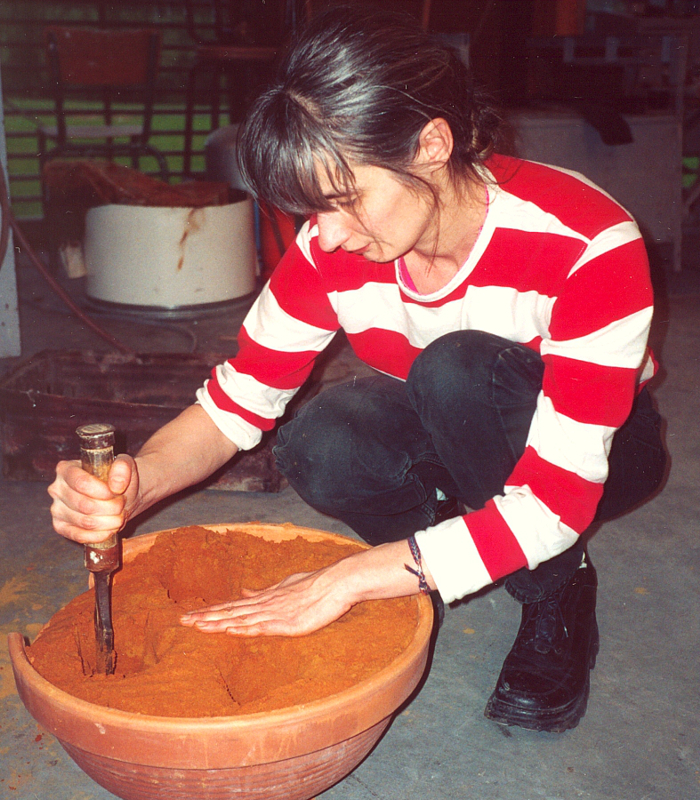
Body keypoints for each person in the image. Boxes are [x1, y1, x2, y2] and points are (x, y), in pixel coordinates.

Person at [48, 7, 666, 733]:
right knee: (322, 438)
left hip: (598, 456)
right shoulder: (329, 246)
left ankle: (555, 592)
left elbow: (558, 499)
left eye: (344, 202)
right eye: (313, 210)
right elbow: (233, 406)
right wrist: (137, 483)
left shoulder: (588, 241)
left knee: (454, 370)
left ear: (432, 142)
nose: (329, 237)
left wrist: (348, 581)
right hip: (456, 424)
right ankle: (464, 547)